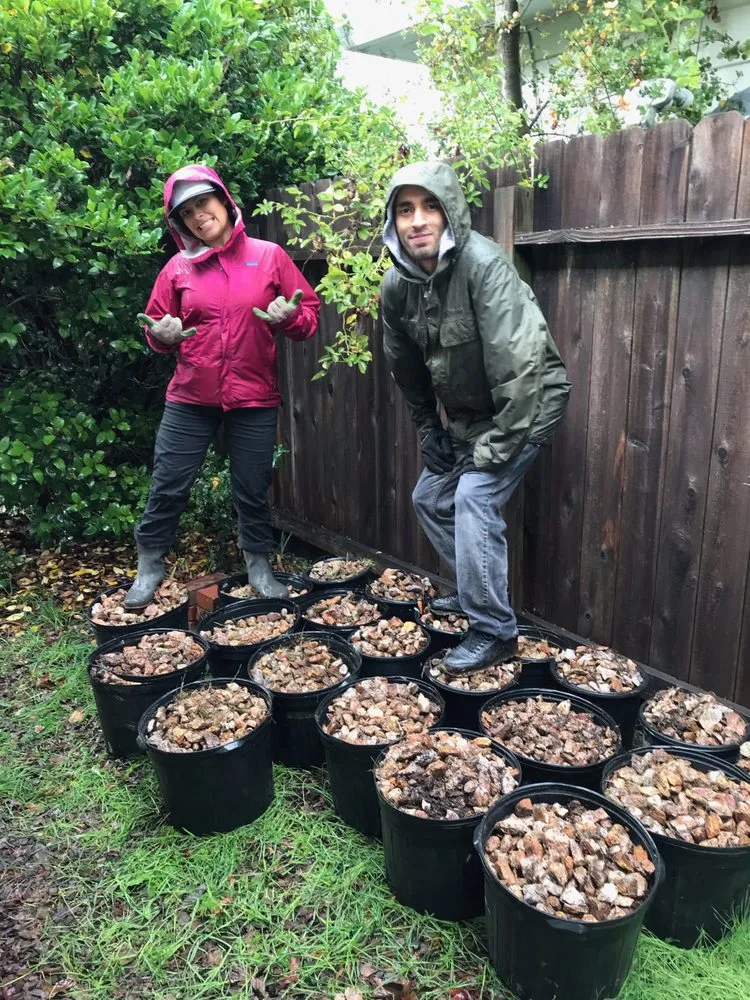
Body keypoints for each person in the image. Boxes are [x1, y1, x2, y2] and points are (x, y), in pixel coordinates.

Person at [380, 162, 571, 675]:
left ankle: (493, 631)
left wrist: (492, 449)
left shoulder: (483, 266)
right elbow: (406, 367)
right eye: (405, 210)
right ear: (393, 222)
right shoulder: (397, 288)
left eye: (429, 207)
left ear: (449, 213)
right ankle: (473, 594)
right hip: (470, 417)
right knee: (430, 498)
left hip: (527, 407)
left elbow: (521, 365)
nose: (417, 220)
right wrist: (429, 429)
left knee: (473, 496)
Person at [124, 164, 320, 609]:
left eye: (203, 203)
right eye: (187, 211)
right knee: (168, 484)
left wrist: (290, 318)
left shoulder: (269, 256)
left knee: (251, 486)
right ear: (179, 223)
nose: (198, 215)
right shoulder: (177, 268)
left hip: (252, 397)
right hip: (191, 398)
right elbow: (154, 328)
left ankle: (257, 563)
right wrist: (163, 337)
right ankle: (150, 562)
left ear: (225, 202)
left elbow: (307, 318)